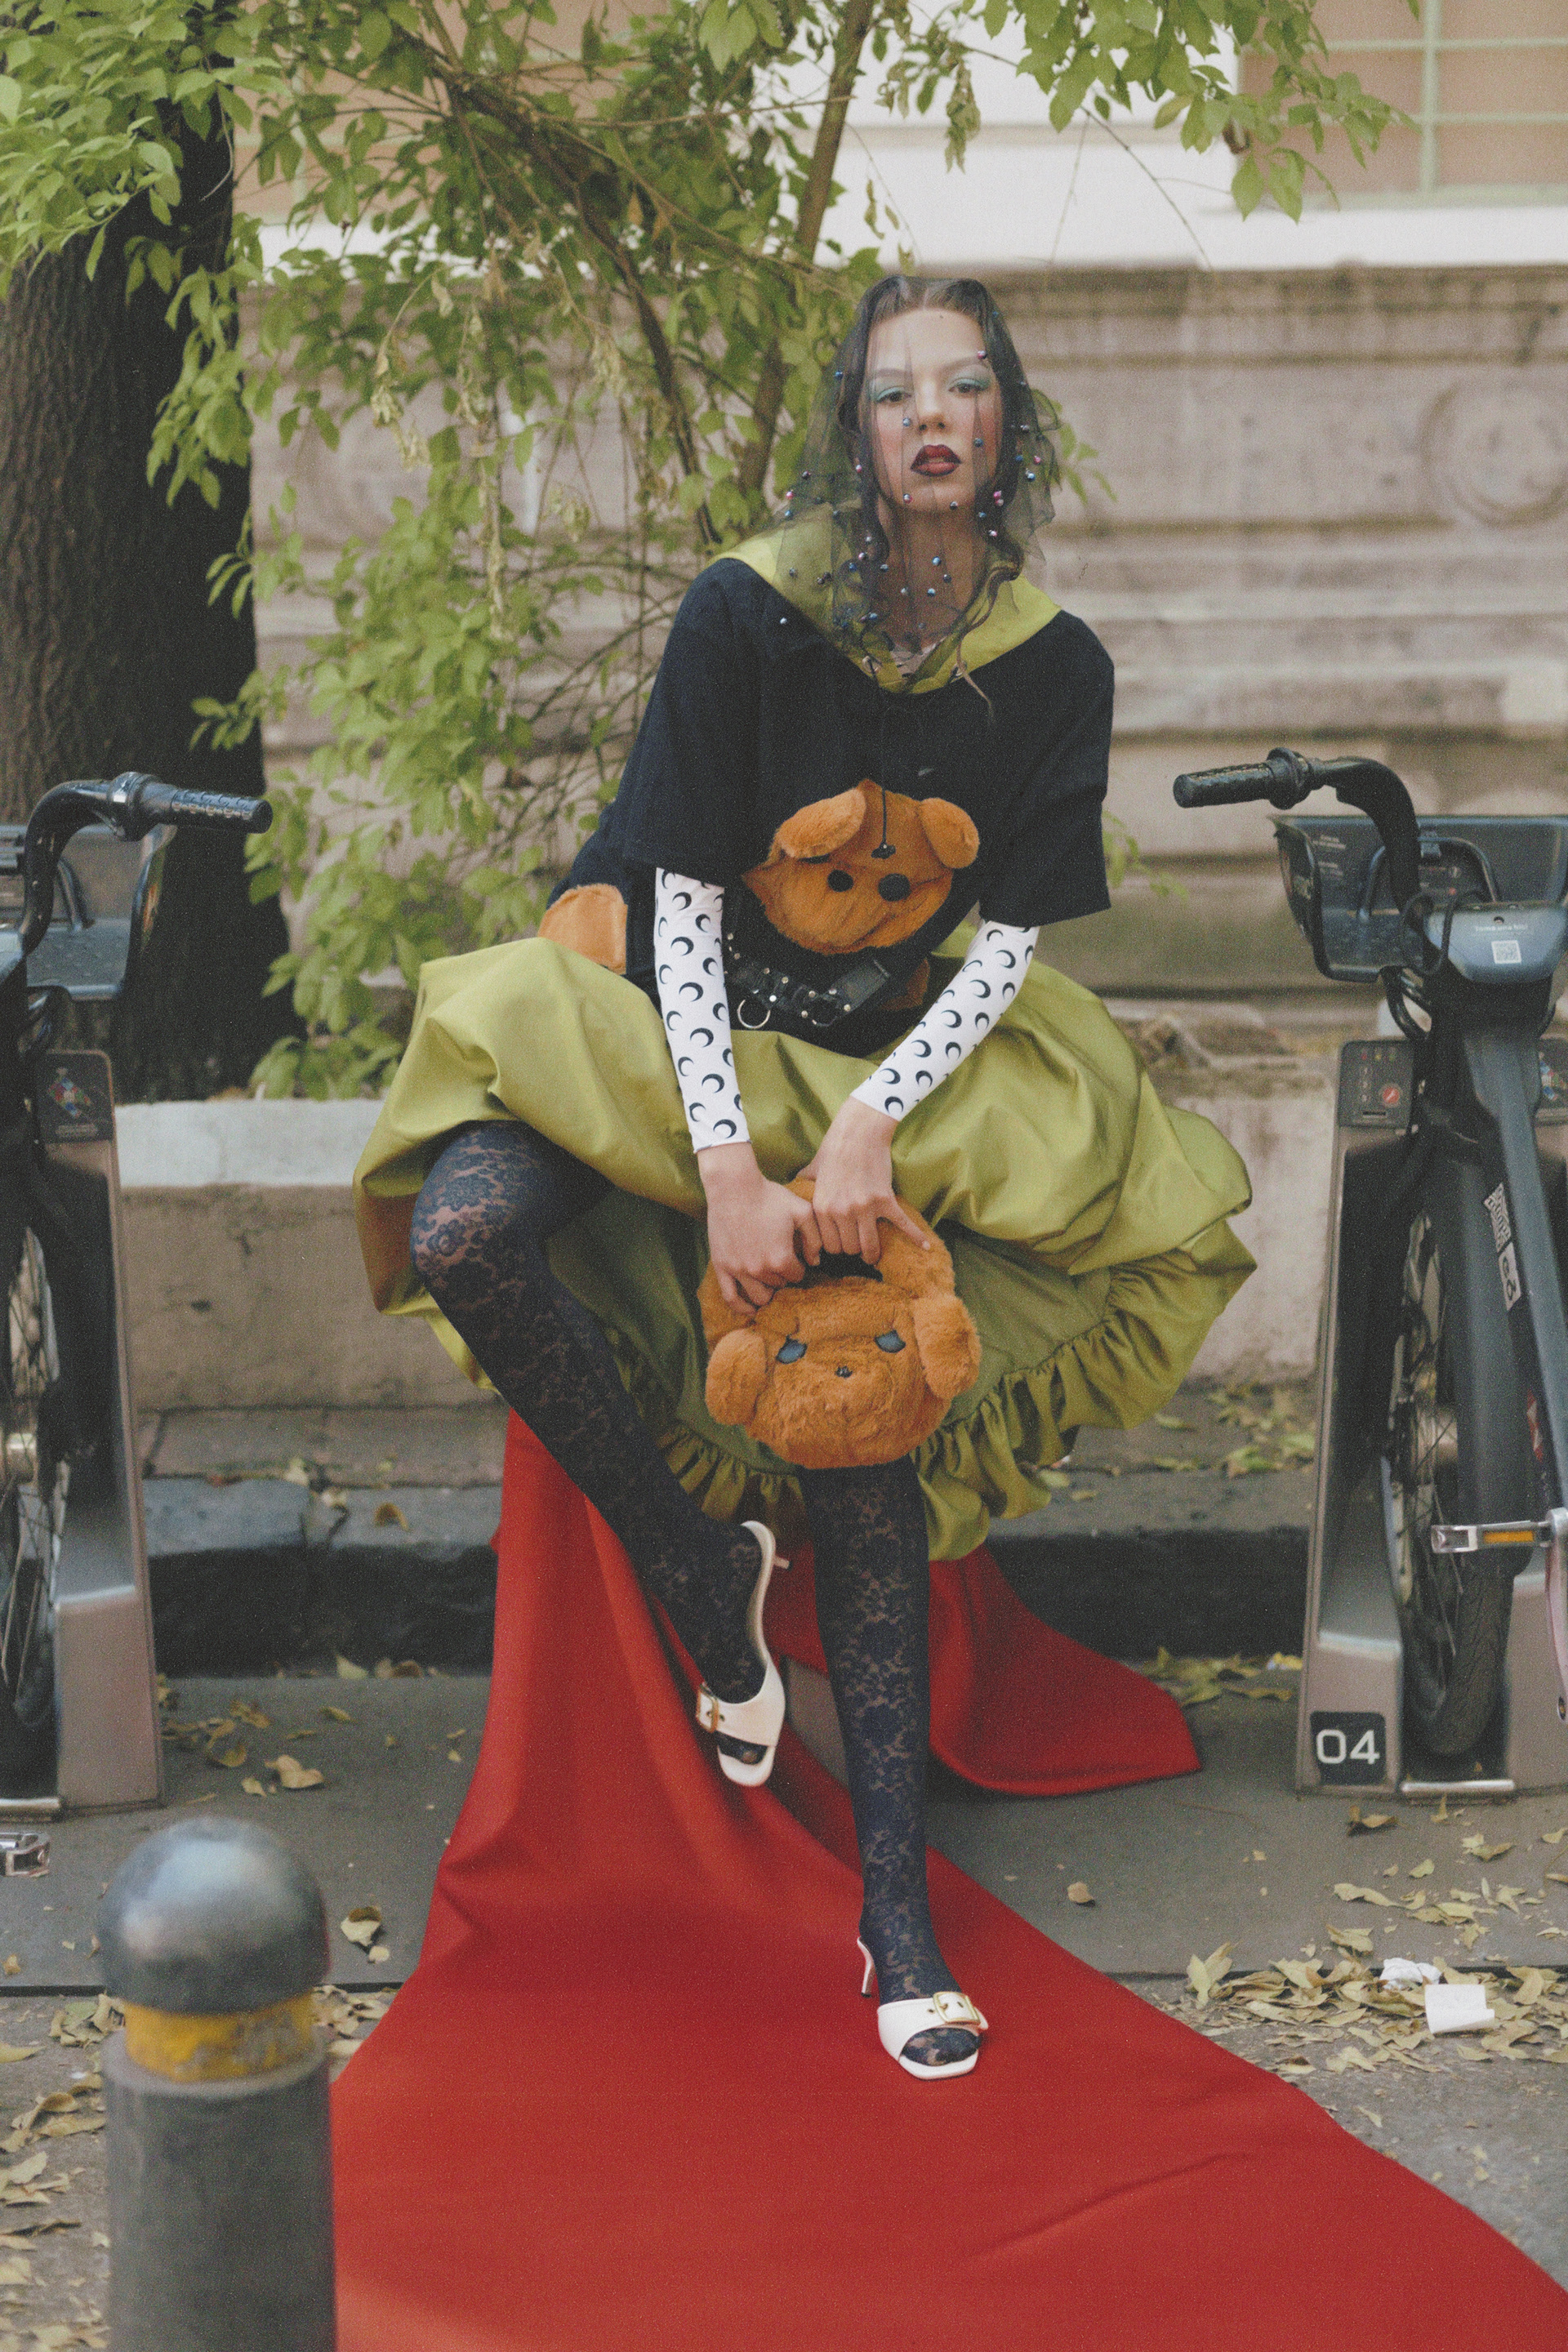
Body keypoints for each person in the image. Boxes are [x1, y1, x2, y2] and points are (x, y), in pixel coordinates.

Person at [354, 274, 1254, 2079]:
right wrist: (723, 1167)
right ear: (857, 426)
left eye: (966, 387)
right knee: (464, 1231)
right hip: (647, 1021)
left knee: (862, 1416)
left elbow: (1006, 945)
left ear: (1004, 423)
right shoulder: (747, 615)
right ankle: (703, 1572)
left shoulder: (1053, 665)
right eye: (896, 390)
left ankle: (897, 1922)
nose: (932, 418)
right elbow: (684, 908)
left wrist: (866, 1129)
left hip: (875, 1064)